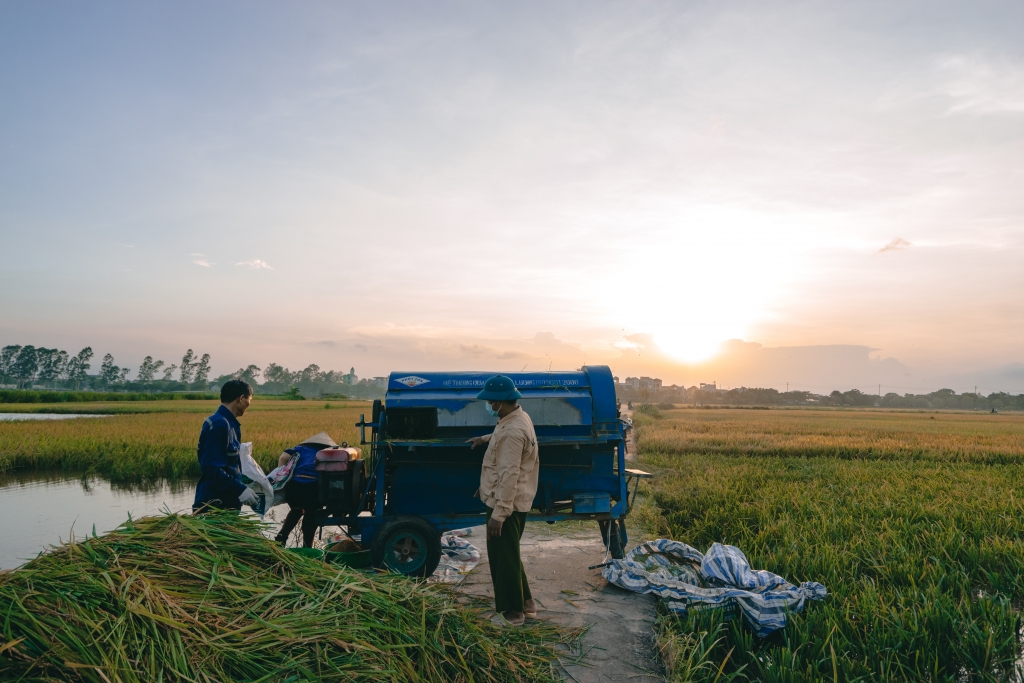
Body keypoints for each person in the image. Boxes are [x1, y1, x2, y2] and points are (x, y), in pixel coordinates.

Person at [467, 375, 540, 626]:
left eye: (489, 401)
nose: (488, 404)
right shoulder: (518, 416)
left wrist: (499, 514)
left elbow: (509, 475)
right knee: (510, 553)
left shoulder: (513, 431)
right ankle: (527, 604)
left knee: (502, 556)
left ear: (500, 401)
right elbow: (503, 435)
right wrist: (485, 439)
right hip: (513, 500)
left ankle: (512, 613)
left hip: (507, 502)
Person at [193, 379, 258, 514]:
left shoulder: (228, 424)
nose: (249, 404)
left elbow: (228, 464)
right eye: (249, 400)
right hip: (215, 504)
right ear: (241, 399)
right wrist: (240, 489)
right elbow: (211, 467)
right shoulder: (220, 425)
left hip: (226, 502)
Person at [273, 432, 337, 547]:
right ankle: (307, 549)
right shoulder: (326, 453)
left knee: (296, 510)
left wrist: (281, 477)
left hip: (294, 487)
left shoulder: (300, 449)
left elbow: (283, 457)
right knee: (311, 517)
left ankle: (280, 540)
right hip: (313, 488)